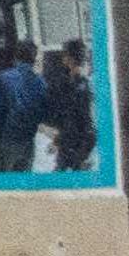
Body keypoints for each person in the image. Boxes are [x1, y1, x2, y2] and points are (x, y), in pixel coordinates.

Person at [0, 38, 46, 172]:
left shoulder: (2, 78)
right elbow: (43, 113)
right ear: (34, 58)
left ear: (16, 56)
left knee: (2, 186)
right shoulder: (40, 82)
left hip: (6, 140)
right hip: (28, 141)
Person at [42, 40, 96, 173]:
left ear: (70, 58)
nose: (62, 58)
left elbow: (76, 119)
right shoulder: (75, 81)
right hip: (76, 142)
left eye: (65, 55)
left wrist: (58, 141)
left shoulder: (80, 84)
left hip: (79, 143)